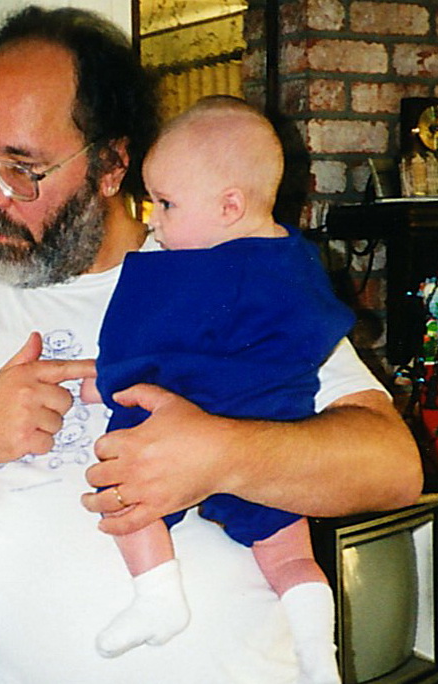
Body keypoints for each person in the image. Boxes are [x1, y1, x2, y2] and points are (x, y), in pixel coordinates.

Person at [0, 6, 422, 683]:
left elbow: (392, 467)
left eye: (22, 167)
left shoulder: (228, 270)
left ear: (110, 164)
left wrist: (220, 452)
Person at [94, 97, 348, 684]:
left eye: (166, 203)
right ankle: (318, 649)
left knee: (122, 489)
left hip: (185, 423)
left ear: (230, 206)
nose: (152, 220)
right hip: (276, 434)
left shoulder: (185, 274)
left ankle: (157, 594)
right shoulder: (299, 261)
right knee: (290, 556)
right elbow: (319, 332)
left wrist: (108, 385)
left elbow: (135, 354)